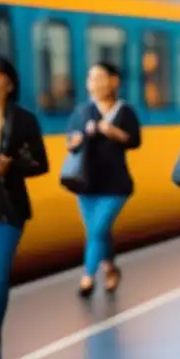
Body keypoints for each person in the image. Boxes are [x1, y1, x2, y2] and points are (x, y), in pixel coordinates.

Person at [66, 61, 141, 298]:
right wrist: (75, 141)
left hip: (116, 185)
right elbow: (70, 142)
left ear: (114, 82)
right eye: (90, 78)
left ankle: (87, 277)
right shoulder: (82, 111)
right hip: (86, 183)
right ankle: (110, 267)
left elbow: (135, 141)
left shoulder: (124, 111)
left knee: (97, 230)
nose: (93, 83)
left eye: (99, 78)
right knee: (99, 232)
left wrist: (113, 132)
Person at [0, 56, 48, 359]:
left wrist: (11, 165)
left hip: (9, 209)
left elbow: (41, 163)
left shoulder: (24, 120)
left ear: (10, 84)